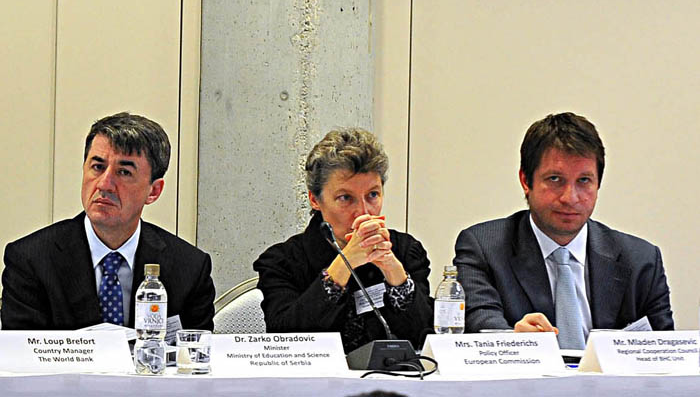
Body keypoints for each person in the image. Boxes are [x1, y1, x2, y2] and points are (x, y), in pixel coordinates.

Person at [454, 112, 673, 349]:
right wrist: (512, 339)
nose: (571, 198)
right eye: (555, 179)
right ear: (526, 181)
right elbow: (480, 319)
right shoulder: (484, 247)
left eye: (584, 181)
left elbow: (664, 353)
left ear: (598, 182)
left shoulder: (641, 260)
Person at [1, 112, 215, 330]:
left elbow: (195, 355)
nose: (104, 184)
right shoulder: (32, 260)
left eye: (123, 172)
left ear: (154, 191)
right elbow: (22, 357)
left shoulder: (189, 269)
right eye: (97, 167)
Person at [254, 128, 433, 353]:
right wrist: (344, 263)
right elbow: (285, 339)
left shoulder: (406, 251)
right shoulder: (283, 261)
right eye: (345, 198)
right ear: (315, 200)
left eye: (373, 195)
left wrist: (394, 273)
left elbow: (425, 339)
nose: (363, 211)